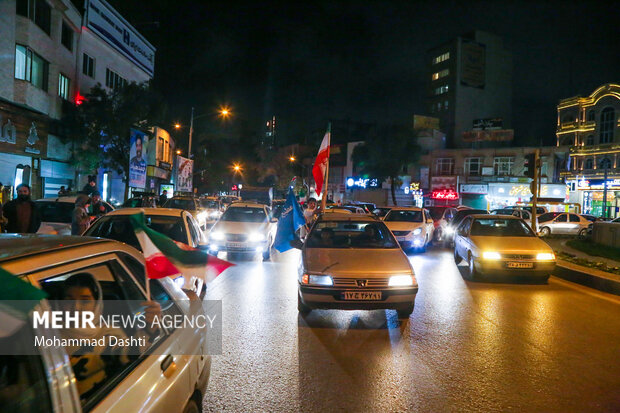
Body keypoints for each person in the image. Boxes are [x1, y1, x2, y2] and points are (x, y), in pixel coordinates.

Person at [60, 273, 161, 400]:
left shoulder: (107, 334)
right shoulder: (47, 331)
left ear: (96, 304)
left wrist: (149, 329)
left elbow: (129, 354)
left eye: (85, 301)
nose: (76, 308)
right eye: (69, 300)